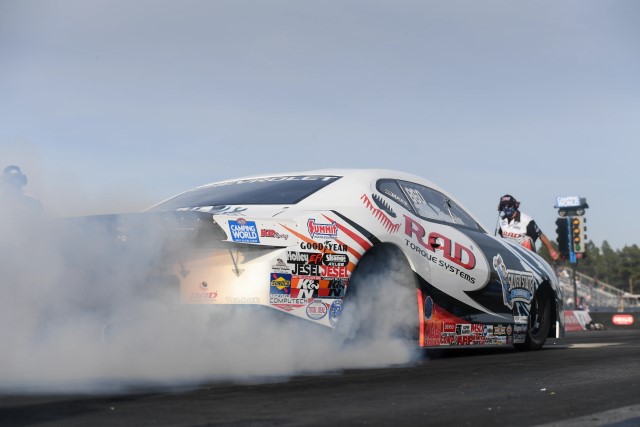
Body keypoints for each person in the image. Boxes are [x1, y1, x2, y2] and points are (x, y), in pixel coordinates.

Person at [496, 194, 559, 261]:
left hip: (526, 256)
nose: (506, 208)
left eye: (509, 205)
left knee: (527, 240)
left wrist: (552, 252)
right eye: (503, 206)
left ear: (514, 206)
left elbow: (541, 235)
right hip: (509, 255)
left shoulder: (526, 220)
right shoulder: (501, 220)